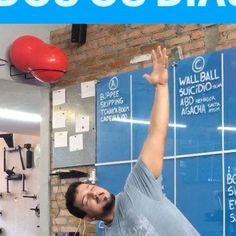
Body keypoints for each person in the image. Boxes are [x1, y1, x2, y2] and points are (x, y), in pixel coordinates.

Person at [65, 46, 200, 236]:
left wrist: (161, 87)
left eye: (91, 188)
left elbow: (157, 133)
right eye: (87, 200)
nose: (95, 193)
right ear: (88, 218)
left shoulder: (138, 187)